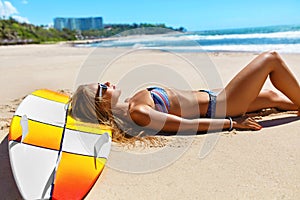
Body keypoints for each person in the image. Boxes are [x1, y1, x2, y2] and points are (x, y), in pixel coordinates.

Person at [69, 51, 300, 143]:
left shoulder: (130, 102)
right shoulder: (138, 113)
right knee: (271, 59)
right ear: (100, 105)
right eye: (102, 87)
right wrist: (232, 123)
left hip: (215, 96)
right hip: (222, 107)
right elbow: (186, 125)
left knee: (272, 96)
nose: (107, 83)